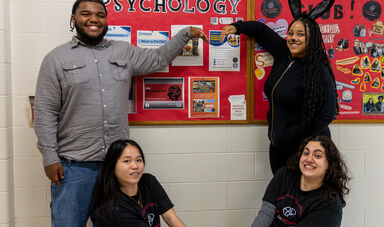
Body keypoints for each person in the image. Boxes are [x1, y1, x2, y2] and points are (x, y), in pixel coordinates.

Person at [33, 0, 208, 226]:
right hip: (74, 167)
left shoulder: (123, 51)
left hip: (116, 168)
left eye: (100, 15)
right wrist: (49, 156)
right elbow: (45, 110)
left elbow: (157, 59)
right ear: (74, 19)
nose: (94, 19)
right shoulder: (55, 59)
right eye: (86, 14)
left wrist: (185, 34)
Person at [220, 0, 338, 174]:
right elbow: (261, 30)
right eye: (290, 33)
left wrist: (291, 136)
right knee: (283, 196)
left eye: (300, 34)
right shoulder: (284, 53)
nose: (293, 38)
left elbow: (326, 115)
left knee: (303, 198)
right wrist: (237, 27)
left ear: (311, 39)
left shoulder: (318, 70)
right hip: (278, 147)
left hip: (306, 151)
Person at [251, 136, 350, 227]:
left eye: (318, 155)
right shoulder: (284, 175)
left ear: (329, 164)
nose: (309, 159)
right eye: (306, 153)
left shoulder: (330, 205)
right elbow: (266, 214)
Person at [93, 139, 185, 227]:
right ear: (112, 167)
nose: (135, 166)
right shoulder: (115, 209)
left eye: (138, 160)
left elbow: (170, 217)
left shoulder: (149, 181)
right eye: (127, 161)